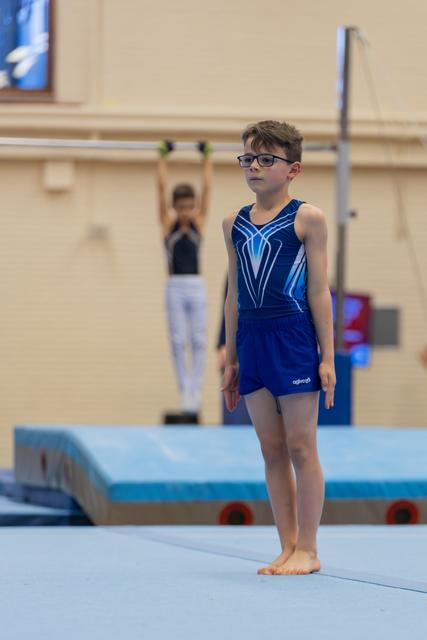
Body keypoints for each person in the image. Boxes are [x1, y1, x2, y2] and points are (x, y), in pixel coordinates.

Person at [222, 120, 336, 575]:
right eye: (248, 158)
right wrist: (231, 357)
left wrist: (327, 356)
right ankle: (287, 545)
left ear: (293, 169)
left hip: (292, 336)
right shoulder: (233, 222)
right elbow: (232, 295)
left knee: (301, 445)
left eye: (266, 159)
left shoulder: (308, 217)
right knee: (271, 448)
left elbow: (319, 290)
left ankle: (308, 547)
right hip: (251, 339)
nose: (254, 167)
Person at [157, 140, 213, 420]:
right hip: (175, 287)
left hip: (196, 285)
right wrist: (163, 158)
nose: (186, 212)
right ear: (175, 207)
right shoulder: (168, 226)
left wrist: (206, 158)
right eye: (181, 207)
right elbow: (159, 190)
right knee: (178, 341)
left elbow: (208, 189)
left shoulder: (199, 224)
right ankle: (185, 391)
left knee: (199, 340)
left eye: (190, 207)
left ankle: (196, 390)